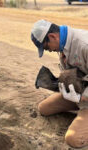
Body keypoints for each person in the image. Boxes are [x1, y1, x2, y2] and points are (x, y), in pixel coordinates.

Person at [31, 19, 88, 148]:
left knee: (73, 139)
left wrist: (82, 97)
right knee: (44, 108)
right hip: (80, 93)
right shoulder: (63, 44)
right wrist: (60, 84)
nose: (48, 50)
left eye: (46, 47)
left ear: (52, 36)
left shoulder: (84, 45)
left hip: (85, 96)